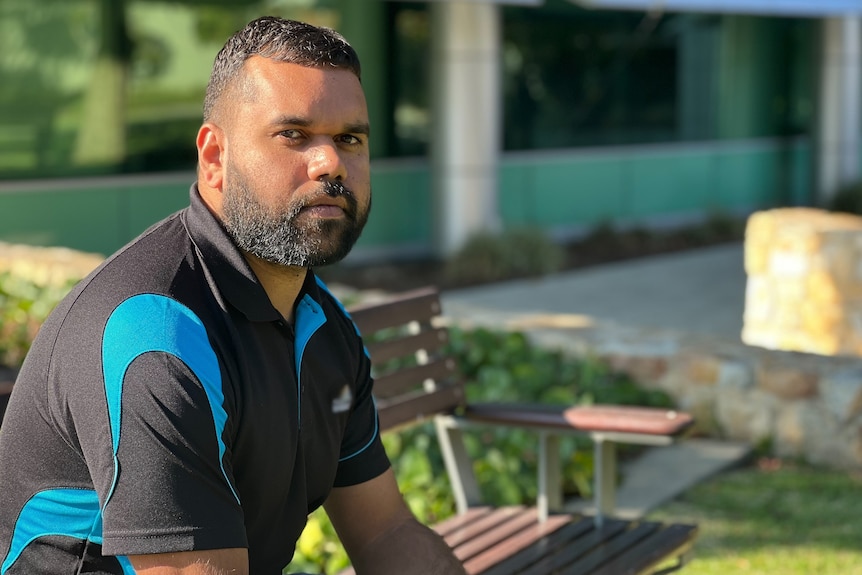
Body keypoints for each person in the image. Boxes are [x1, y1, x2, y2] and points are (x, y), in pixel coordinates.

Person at [0, 16, 467, 575]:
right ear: (215, 158)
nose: (331, 163)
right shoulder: (155, 333)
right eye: (293, 135)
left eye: (350, 139)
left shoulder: (323, 325)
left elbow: (387, 531)